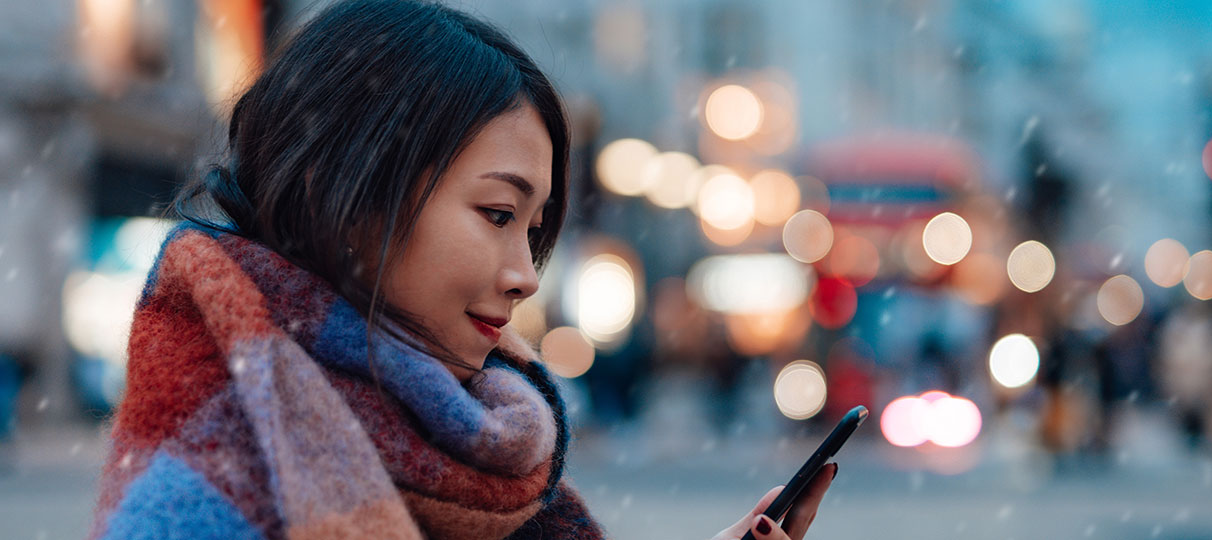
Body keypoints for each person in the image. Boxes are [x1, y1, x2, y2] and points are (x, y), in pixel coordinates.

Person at [88, 2, 836, 539]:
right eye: (498, 215)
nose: (526, 275)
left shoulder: (472, 462)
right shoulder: (212, 492)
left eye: (536, 230)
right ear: (351, 193)